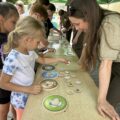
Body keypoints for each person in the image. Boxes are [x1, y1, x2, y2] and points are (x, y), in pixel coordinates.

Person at [0, 16, 69, 120]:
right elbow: (3, 84)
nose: (38, 46)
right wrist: (27, 89)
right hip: (20, 100)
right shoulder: (13, 58)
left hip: (30, 92)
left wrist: (59, 59)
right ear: (27, 40)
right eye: (37, 42)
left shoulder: (30, 51)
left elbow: (43, 60)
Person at [67, 0, 120, 120]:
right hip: (115, 64)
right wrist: (78, 65)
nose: (76, 28)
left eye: (77, 24)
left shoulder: (110, 23)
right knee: (102, 94)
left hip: (116, 66)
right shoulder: (96, 21)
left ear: (88, 16)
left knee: (105, 103)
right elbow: (87, 45)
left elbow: (106, 65)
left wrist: (102, 100)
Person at [0, 2, 19, 120]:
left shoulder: (9, 35)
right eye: (13, 22)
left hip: (12, 78)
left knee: (14, 104)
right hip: (3, 81)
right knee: (3, 110)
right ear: (1, 19)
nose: (16, 26)